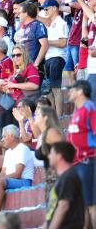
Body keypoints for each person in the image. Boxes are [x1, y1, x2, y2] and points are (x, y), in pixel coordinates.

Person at [66, 80, 96, 227]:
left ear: (80, 91)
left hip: (88, 160)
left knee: (91, 203)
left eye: (72, 89)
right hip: (77, 162)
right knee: (83, 202)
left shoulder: (89, 107)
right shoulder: (78, 110)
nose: (69, 92)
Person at [46, 142, 85, 229]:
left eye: (51, 153)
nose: (48, 156)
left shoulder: (68, 177)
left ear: (59, 156)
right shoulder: (64, 177)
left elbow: (63, 206)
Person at [0, 124, 34, 210]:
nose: (2, 139)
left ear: (12, 136)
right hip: (12, 180)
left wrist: (0, 178)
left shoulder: (22, 149)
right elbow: (3, 173)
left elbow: (17, 174)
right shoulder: (8, 152)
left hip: (24, 181)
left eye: (4, 136)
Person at [42, 0, 68, 116]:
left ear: (54, 8)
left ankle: (59, 117)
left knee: (56, 89)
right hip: (49, 58)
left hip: (57, 57)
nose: (45, 11)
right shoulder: (50, 23)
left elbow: (63, 42)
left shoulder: (61, 23)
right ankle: (54, 116)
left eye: (46, 9)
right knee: (49, 91)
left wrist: (47, 42)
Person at [34, 106, 64, 198]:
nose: (35, 116)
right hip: (50, 177)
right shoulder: (43, 134)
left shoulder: (51, 132)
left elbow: (63, 152)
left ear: (45, 117)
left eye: (38, 114)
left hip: (58, 176)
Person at [19, 1, 49, 73]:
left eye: (20, 13)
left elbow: (45, 45)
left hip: (34, 67)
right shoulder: (24, 27)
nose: (18, 15)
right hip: (24, 67)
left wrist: (36, 64)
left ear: (26, 13)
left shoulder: (38, 25)